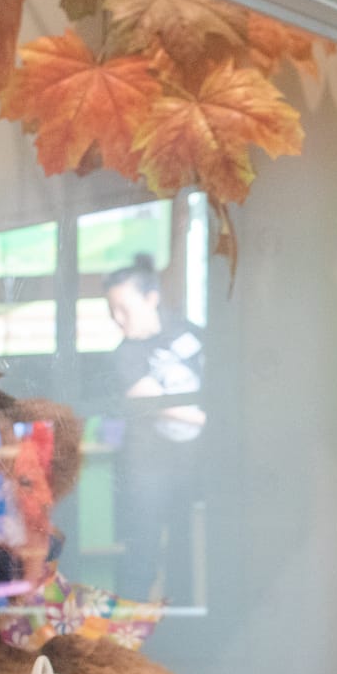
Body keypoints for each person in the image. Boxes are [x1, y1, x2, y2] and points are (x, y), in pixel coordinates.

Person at [103, 253, 205, 601]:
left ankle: (184, 634)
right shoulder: (124, 355)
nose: (117, 319)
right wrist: (216, 419)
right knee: (141, 557)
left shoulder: (192, 333)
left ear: (151, 298)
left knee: (189, 552)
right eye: (111, 310)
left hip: (194, 465)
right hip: (147, 471)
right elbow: (159, 404)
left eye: (124, 309)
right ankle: (128, 637)